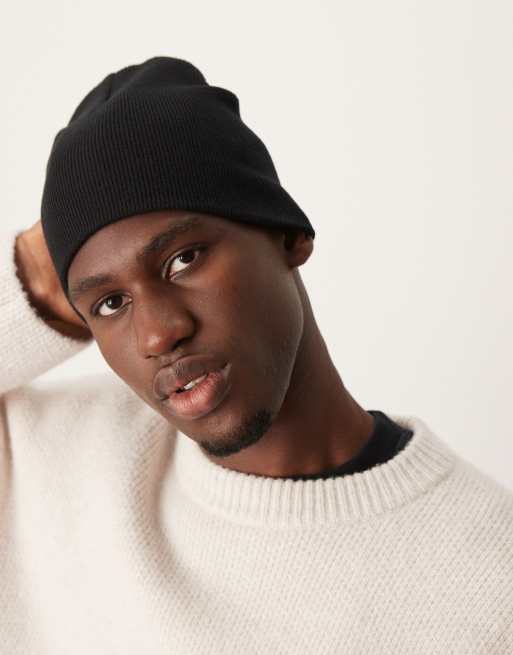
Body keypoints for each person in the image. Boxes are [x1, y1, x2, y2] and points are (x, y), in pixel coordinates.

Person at [1, 56, 512, 654]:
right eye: (111, 303)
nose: (157, 335)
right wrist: (34, 281)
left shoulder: (489, 577)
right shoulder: (49, 464)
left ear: (288, 234)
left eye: (183, 260)